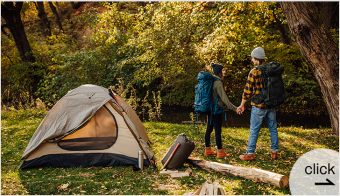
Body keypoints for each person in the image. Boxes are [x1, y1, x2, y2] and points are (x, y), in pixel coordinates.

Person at [237, 47, 279, 161]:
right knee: (273, 128)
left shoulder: (254, 71)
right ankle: (274, 152)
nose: (251, 60)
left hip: (258, 106)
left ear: (256, 58)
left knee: (254, 130)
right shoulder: (271, 70)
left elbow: (247, 90)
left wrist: (242, 104)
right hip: (271, 105)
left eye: (252, 58)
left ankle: (250, 153)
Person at [204, 63, 241, 158]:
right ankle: (220, 152)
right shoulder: (218, 83)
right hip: (216, 110)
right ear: (219, 72)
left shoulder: (211, 81)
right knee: (217, 130)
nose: (224, 72)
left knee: (209, 129)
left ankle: (207, 150)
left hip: (209, 108)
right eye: (223, 70)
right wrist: (235, 108)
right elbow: (225, 99)